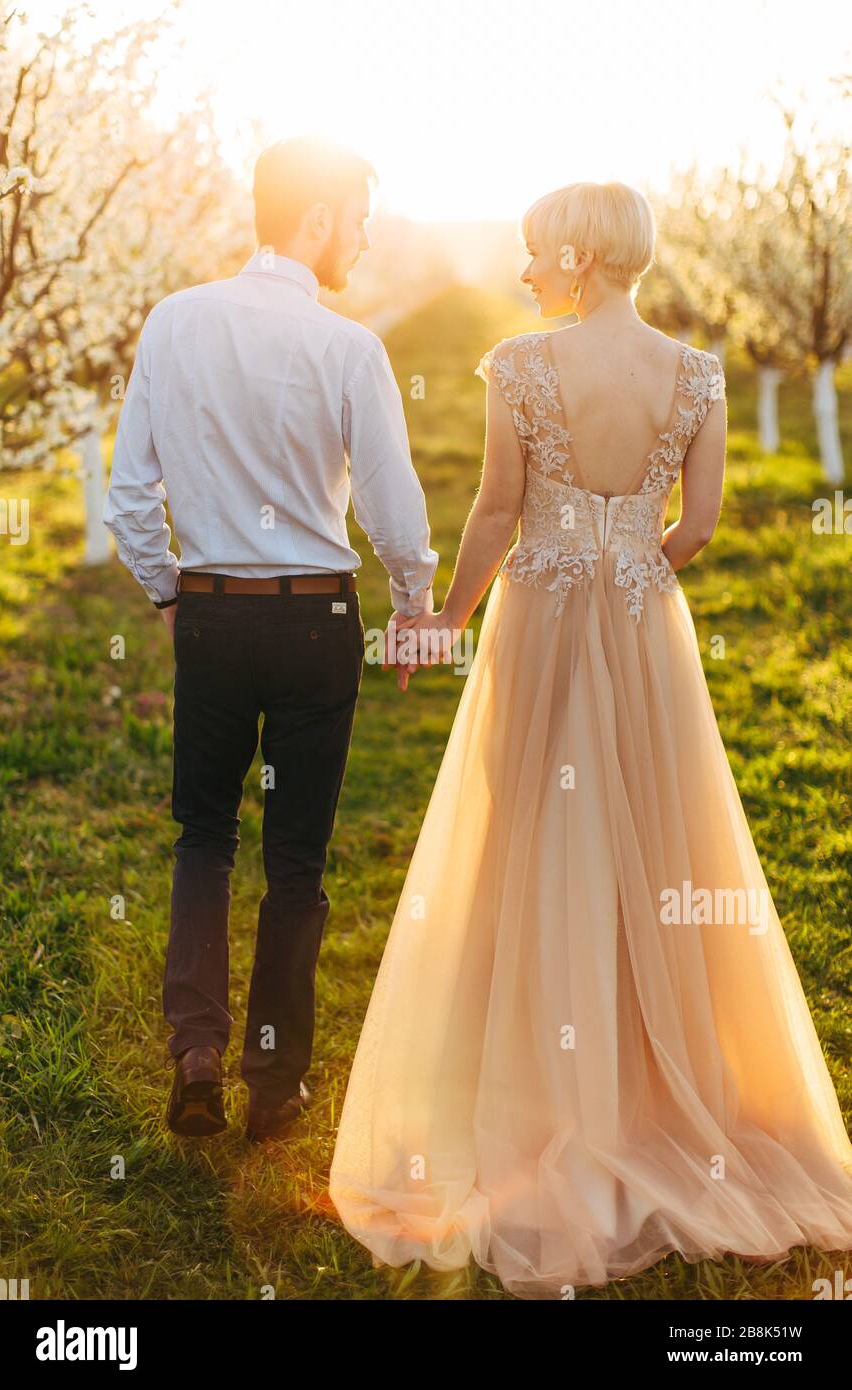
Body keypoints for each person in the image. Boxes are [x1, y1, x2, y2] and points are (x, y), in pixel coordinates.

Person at [328, 180, 852, 1296]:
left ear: (574, 253)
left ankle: (538, 1090)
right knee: (662, 846)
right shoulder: (698, 374)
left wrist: (443, 624)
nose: (522, 273)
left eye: (531, 253)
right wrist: (631, 571)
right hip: (640, 620)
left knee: (526, 833)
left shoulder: (521, 366)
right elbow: (698, 523)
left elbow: (494, 509)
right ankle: (657, 1089)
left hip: (541, 616)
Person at [102, 136, 438, 1142]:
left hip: (212, 613)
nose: (367, 239)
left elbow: (128, 497)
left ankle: (195, 1049)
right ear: (321, 217)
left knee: (203, 835)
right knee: (296, 859)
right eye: (361, 217)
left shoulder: (173, 320)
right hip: (312, 617)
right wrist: (413, 604)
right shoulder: (349, 347)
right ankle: (273, 1077)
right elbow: (391, 506)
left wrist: (174, 593)